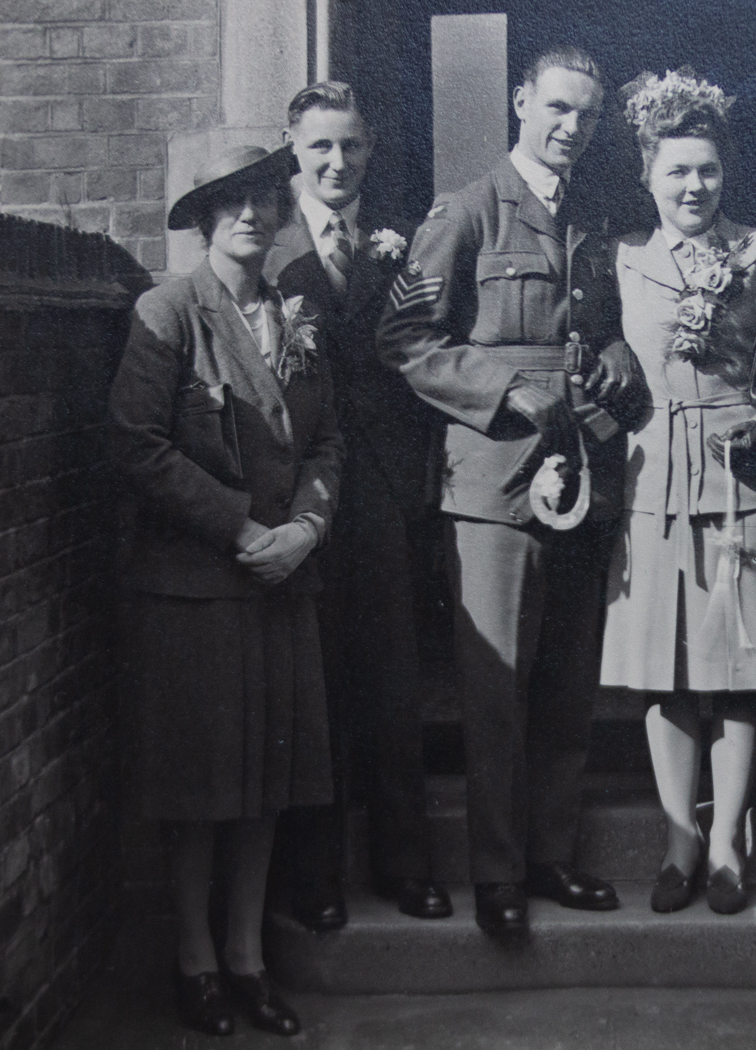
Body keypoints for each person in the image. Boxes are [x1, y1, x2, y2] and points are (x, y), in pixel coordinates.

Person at [377, 46, 645, 935]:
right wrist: (501, 390)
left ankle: (549, 856)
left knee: (567, 682)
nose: (572, 127)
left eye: (588, 115)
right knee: (496, 688)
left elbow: (603, 326)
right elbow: (404, 338)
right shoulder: (466, 211)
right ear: (521, 103)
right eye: (558, 108)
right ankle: (496, 874)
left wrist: (615, 353)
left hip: (582, 467)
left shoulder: (594, 218)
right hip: (495, 478)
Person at [109, 145, 342, 1037]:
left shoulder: (295, 314)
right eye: (230, 202)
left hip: (283, 581)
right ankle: (196, 962)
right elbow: (136, 444)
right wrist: (242, 531)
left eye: (263, 200)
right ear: (206, 218)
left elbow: (324, 444)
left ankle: (248, 959)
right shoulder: (169, 311)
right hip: (197, 591)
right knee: (203, 788)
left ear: (281, 215)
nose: (250, 215)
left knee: (265, 785)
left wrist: (306, 529)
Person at [601, 70, 756, 915]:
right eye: (675, 171)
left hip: (741, 485)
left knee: (736, 673)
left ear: (725, 171)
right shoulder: (621, 259)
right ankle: (678, 839)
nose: (693, 186)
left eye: (706, 169)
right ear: (647, 176)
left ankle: (728, 838)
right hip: (653, 483)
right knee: (665, 673)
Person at [266, 81, 450, 930]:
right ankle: (316, 873)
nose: (337, 163)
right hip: (299, 493)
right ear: (294, 151)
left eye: (351, 146)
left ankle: (406, 863)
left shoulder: (404, 245)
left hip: (383, 492)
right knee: (314, 685)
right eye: (320, 147)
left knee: (392, 679)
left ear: (371, 149)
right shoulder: (267, 246)